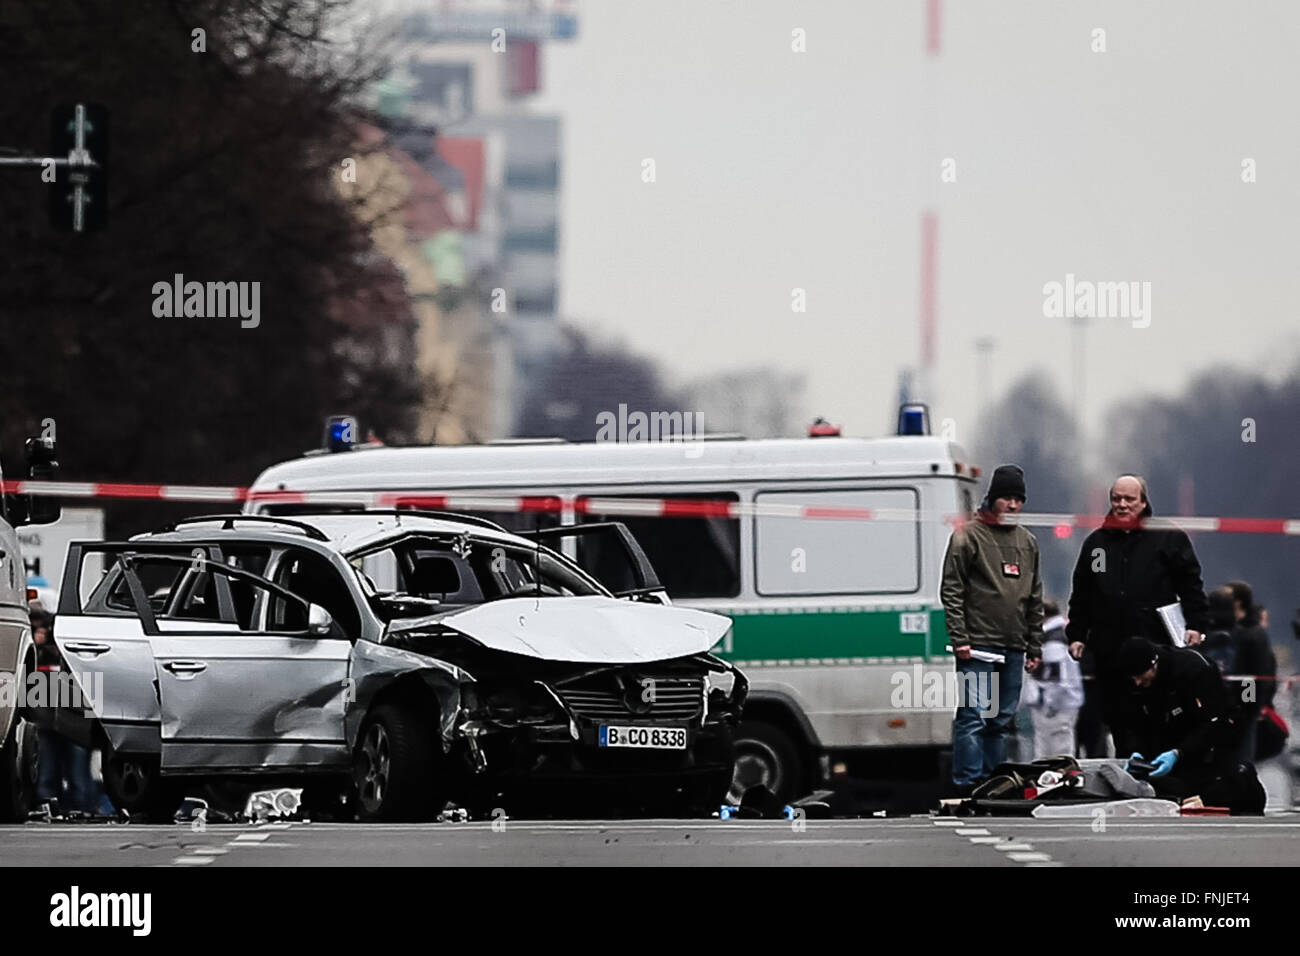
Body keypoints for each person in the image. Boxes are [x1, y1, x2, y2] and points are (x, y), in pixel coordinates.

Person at [1065, 474, 1210, 756]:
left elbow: (1191, 584)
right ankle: (1128, 778)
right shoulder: (1096, 544)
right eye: (1116, 499)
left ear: (1143, 502)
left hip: (1156, 648)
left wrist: (1196, 624)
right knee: (1119, 720)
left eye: (1129, 499)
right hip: (1110, 651)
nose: (1121, 505)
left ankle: (1163, 778)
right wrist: (1077, 635)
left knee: (1160, 717)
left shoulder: (1168, 538)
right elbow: (1082, 593)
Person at [940, 464, 1043, 796]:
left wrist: (1034, 644)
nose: (1012, 506)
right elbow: (952, 589)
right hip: (978, 645)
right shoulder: (967, 536)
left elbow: (1034, 596)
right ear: (993, 499)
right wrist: (960, 638)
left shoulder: (1028, 542)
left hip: (1013, 644)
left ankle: (993, 783)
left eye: (1018, 500)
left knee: (1001, 722)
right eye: (1006, 499)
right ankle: (968, 783)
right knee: (973, 718)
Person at [1118, 636, 1264, 813]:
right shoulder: (1141, 683)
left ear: (1153, 663)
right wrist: (1138, 750)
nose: (1138, 683)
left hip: (1213, 742)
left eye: (1141, 676)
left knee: (1225, 784)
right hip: (1177, 742)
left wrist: (1179, 752)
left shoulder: (1195, 669)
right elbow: (1137, 721)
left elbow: (1213, 722)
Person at [30, 608, 95, 815]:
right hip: (47, 716)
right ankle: (53, 804)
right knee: (49, 767)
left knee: (76, 770)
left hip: (71, 713)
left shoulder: (74, 649)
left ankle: (80, 806)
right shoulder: (33, 653)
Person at [1226, 580, 1277, 762]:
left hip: (1244, 710)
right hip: (1233, 707)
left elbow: (1255, 674)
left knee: (1241, 763)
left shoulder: (1253, 634)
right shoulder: (1234, 630)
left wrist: (1247, 707)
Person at [1025, 600, 1084, 759]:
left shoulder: (1052, 641)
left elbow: (1056, 680)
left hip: (1055, 707)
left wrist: (1049, 704)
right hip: (1060, 704)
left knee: (1053, 754)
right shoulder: (1060, 635)